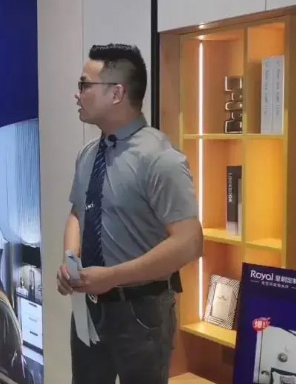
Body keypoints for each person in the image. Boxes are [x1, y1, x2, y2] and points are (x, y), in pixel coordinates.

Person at [56, 44, 204, 383]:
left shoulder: (159, 158)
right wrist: (70, 259)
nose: (77, 94)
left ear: (117, 93)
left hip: (142, 311)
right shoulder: (88, 154)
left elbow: (189, 242)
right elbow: (78, 213)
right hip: (89, 306)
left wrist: (113, 276)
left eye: (84, 85)